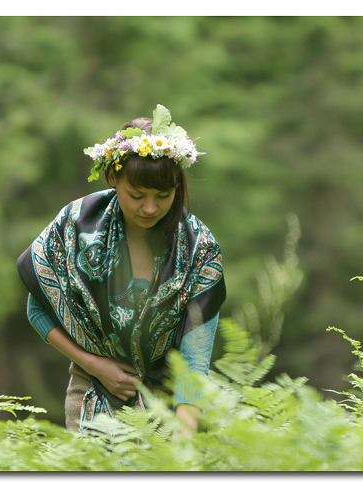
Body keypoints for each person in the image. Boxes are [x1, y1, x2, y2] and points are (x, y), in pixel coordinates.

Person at [16, 105, 226, 436]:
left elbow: (194, 361)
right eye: (137, 195)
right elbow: (37, 309)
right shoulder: (77, 227)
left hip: (169, 407)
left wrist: (183, 445)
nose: (150, 207)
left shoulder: (198, 247)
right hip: (91, 395)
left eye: (164, 194)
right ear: (113, 178)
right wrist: (94, 364)